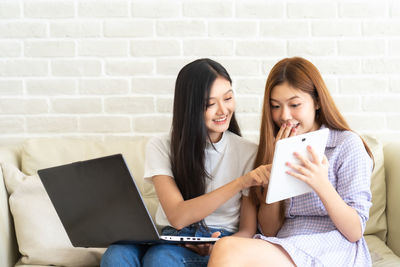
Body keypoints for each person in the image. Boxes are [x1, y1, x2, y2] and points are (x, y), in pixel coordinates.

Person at [100, 58, 269, 267]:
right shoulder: (161, 146)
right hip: (170, 236)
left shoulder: (249, 152)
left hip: (219, 240)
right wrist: (241, 182)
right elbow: (178, 217)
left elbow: (248, 229)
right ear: (190, 107)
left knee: (160, 259)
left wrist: (222, 245)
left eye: (228, 98)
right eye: (210, 104)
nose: (223, 110)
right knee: (116, 255)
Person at [208, 57, 374, 267]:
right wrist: (277, 167)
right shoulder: (276, 148)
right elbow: (269, 230)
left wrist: (321, 183)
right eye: (276, 106)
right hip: (286, 243)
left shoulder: (346, 144)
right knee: (227, 247)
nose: (284, 116)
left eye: (295, 104)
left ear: (317, 102)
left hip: (333, 247)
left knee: (227, 248)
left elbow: (354, 231)